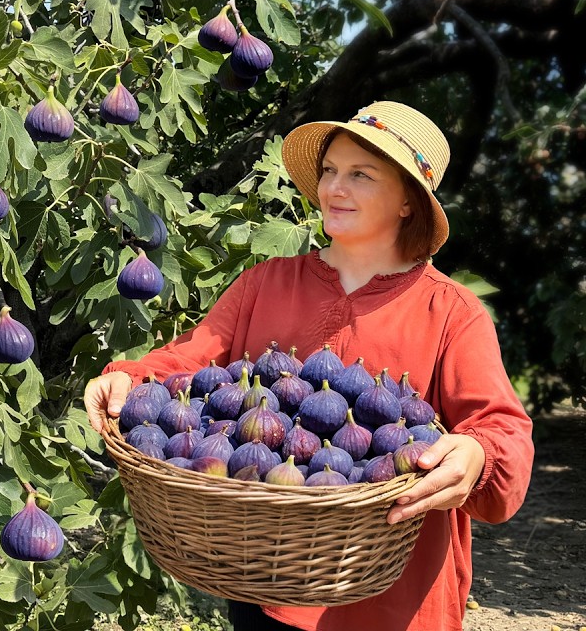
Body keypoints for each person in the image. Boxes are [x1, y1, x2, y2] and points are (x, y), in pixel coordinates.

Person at [83, 101, 534, 631]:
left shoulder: (450, 312)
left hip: (392, 597)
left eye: (361, 175)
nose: (334, 188)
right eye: (329, 170)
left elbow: (502, 432)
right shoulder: (265, 282)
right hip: (266, 574)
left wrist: (477, 455)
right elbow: (187, 363)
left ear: (408, 201)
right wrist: (129, 379)